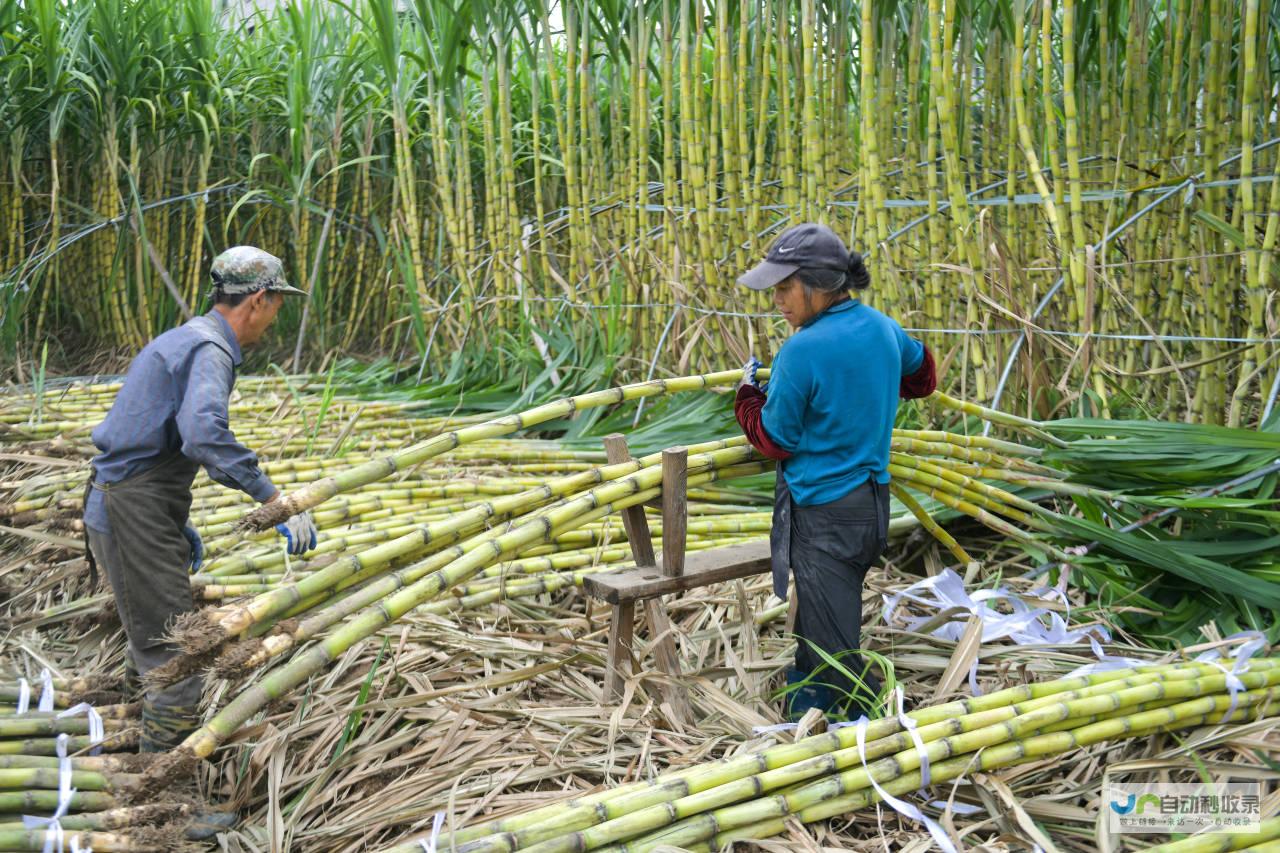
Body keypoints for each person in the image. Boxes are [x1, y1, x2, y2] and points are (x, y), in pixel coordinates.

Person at [83, 246, 319, 753]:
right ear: (258, 300)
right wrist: (273, 499)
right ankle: (164, 789)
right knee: (176, 649)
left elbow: (147, 435)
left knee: (153, 624)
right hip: (130, 509)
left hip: (132, 503)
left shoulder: (185, 338)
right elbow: (202, 433)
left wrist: (171, 518)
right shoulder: (210, 350)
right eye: (277, 305)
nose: (274, 320)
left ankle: (129, 738)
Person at [733, 223, 936, 720]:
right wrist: (869, 387)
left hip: (825, 513)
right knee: (827, 621)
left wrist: (746, 397)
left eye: (784, 288)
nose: (777, 300)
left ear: (818, 285)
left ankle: (848, 730)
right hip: (871, 505)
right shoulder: (881, 326)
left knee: (833, 650)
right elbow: (923, 375)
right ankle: (808, 709)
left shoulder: (802, 351)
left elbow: (774, 439)